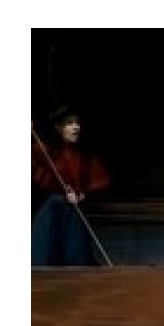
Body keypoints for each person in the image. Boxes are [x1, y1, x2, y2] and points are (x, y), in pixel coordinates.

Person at [32, 106, 110, 266]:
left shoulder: (85, 155)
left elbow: (97, 183)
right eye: (69, 123)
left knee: (76, 255)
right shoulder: (45, 151)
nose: (76, 127)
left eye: (77, 123)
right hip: (52, 214)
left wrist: (81, 195)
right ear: (58, 128)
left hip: (75, 212)